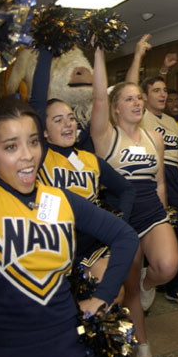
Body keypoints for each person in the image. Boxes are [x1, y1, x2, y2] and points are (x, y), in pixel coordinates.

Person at [0, 81, 142, 357]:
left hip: (77, 353)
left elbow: (125, 236)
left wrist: (101, 297)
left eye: (34, 141)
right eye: (11, 146)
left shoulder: (60, 199)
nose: (27, 155)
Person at [91, 43, 178, 357]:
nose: (137, 102)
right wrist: (99, 52)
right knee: (127, 290)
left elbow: (159, 181)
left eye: (139, 98)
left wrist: (166, 215)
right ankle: (142, 343)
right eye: (129, 98)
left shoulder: (153, 136)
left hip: (152, 211)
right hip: (120, 218)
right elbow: (99, 96)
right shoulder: (105, 135)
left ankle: (148, 284)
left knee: (168, 267)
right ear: (115, 108)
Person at [29, 49, 136, 283]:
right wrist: (47, 51)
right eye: (58, 120)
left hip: (90, 243)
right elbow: (37, 101)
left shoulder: (89, 159)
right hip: (53, 244)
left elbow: (127, 189)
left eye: (70, 117)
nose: (68, 124)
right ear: (43, 131)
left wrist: (120, 219)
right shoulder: (40, 155)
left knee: (112, 293)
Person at [141, 76, 178, 308]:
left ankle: (175, 288)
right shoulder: (140, 118)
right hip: (151, 177)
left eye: (164, 90)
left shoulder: (172, 122)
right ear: (144, 95)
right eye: (156, 90)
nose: (162, 94)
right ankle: (145, 285)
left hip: (175, 180)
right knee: (150, 233)